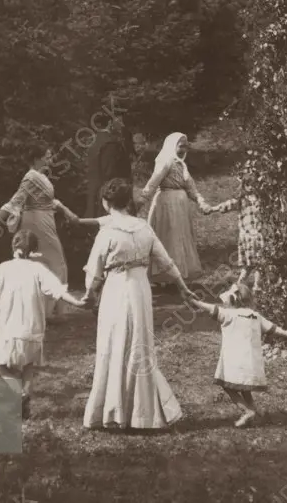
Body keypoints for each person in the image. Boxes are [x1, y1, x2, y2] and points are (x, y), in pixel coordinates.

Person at [82, 178, 192, 430]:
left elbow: (95, 273)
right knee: (138, 343)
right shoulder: (143, 228)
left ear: (106, 203)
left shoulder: (107, 232)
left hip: (117, 290)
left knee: (114, 343)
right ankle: (140, 412)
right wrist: (183, 289)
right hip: (140, 290)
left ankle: (115, 411)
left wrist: (89, 296)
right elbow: (166, 262)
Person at [0, 230, 87, 419]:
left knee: (0, 364)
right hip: (32, 330)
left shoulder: (4, 268)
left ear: (13, 247)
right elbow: (57, 290)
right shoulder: (39, 270)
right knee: (29, 364)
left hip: (8, 329)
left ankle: (19, 394)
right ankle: (26, 396)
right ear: (34, 250)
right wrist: (77, 302)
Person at [184, 283, 287, 428]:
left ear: (232, 300)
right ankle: (253, 410)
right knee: (244, 386)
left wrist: (193, 301)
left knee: (228, 386)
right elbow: (273, 328)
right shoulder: (256, 316)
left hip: (235, 361)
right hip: (251, 363)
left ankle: (247, 411)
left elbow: (209, 308)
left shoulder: (228, 314)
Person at [0, 145, 78, 316]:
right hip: (37, 222)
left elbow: (49, 201)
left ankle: (43, 309)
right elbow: (16, 201)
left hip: (44, 220)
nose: (50, 159)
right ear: (37, 158)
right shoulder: (31, 177)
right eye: (47, 156)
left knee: (42, 262)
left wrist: (65, 210)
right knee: (55, 263)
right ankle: (47, 310)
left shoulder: (40, 176)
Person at [139, 132, 211, 287]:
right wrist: (141, 200)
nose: (184, 149)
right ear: (172, 146)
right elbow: (153, 182)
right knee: (168, 238)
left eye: (186, 146)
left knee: (180, 238)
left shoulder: (181, 165)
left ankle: (176, 276)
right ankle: (164, 275)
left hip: (181, 207)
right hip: (166, 205)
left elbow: (191, 188)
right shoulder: (165, 162)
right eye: (181, 145)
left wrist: (201, 202)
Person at [206, 175, 264, 293]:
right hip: (249, 237)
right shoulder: (241, 200)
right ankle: (243, 285)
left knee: (257, 264)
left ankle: (253, 286)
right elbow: (227, 205)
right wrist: (213, 209)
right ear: (244, 186)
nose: (252, 187)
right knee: (252, 265)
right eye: (249, 184)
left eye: (254, 184)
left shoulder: (261, 199)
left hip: (257, 236)